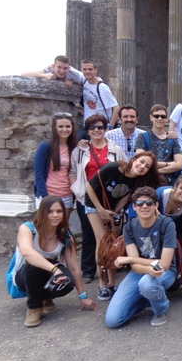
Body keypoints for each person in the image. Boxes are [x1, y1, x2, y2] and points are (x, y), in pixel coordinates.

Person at [84, 151, 163, 301]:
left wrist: (115, 213)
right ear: (134, 159)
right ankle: (102, 283)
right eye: (141, 162)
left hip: (113, 209)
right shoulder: (113, 168)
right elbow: (89, 187)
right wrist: (101, 210)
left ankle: (112, 282)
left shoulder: (137, 180)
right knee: (103, 243)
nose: (142, 167)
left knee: (114, 243)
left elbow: (125, 197)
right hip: (94, 206)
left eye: (147, 166)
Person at [14, 196, 96, 327]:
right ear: (42, 212)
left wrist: (83, 296)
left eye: (59, 211)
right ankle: (34, 307)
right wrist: (55, 270)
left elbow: (74, 268)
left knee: (68, 281)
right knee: (34, 266)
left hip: (50, 272)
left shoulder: (65, 235)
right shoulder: (28, 228)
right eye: (50, 211)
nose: (55, 215)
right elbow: (27, 252)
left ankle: (46, 297)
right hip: (25, 274)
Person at [105, 187, 178, 328]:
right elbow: (134, 267)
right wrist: (146, 269)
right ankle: (149, 298)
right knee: (113, 320)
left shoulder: (167, 224)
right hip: (139, 272)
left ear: (156, 205)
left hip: (165, 272)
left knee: (147, 284)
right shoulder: (129, 227)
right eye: (139, 203)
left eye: (149, 203)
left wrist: (130, 259)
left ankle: (160, 310)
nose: (144, 206)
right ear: (134, 207)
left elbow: (164, 264)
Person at [69, 114, 126, 286]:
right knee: (93, 237)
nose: (96, 130)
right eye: (92, 128)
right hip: (88, 199)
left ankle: (111, 276)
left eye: (100, 127)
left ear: (106, 129)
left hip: (110, 199)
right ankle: (93, 274)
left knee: (111, 238)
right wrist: (77, 190)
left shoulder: (115, 149)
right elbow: (72, 172)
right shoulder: (80, 151)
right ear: (87, 131)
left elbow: (125, 171)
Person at [33, 112, 77, 214]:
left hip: (67, 195)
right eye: (60, 126)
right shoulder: (45, 146)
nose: (64, 129)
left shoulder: (74, 148)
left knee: (63, 224)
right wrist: (45, 197)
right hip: (48, 194)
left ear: (72, 128)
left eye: (67, 126)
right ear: (54, 128)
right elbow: (38, 174)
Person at [136, 104, 182, 184]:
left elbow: (180, 164)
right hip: (147, 182)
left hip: (168, 183)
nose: (160, 119)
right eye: (156, 116)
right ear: (151, 117)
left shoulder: (172, 138)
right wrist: (168, 164)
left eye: (163, 116)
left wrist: (156, 171)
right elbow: (141, 161)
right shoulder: (142, 137)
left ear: (167, 119)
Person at [80, 59, 120, 131]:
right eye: (84, 69)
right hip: (87, 125)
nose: (87, 72)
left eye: (90, 69)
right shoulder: (84, 81)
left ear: (95, 70)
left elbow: (116, 108)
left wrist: (110, 126)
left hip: (100, 127)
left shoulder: (102, 87)